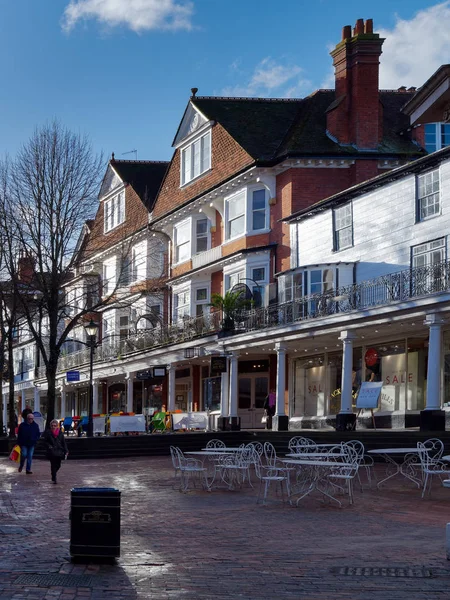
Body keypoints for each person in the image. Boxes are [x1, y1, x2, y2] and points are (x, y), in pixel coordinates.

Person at [42, 419, 68, 484]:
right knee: (53, 464)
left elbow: (63, 442)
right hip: (52, 451)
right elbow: (45, 442)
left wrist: (66, 450)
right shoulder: (48, 433)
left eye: (55, 425)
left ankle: (53, 473)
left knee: (58, 465)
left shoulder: (60, 433)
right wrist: (49, 446)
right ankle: (54, 477)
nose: (53, 427)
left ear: (57, 426)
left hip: (59, 450)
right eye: (52, 425)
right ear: (50, 426)